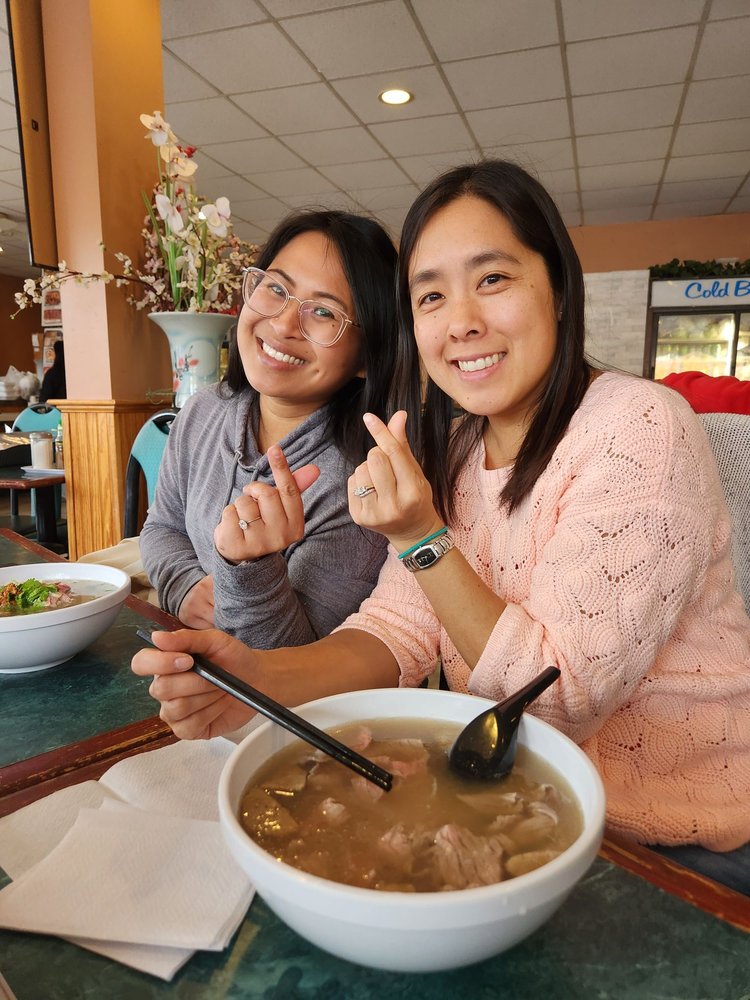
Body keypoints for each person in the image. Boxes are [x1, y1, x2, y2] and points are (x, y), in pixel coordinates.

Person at [133, 161, 750, 893]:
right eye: (432, 295)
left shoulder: (639, 425)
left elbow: (552, 703)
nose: (461, 322)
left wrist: (422, 539)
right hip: (513, 806)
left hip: (676, 847)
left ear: (557, 287)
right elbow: (394, 633)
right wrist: (253, 677)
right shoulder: (454, 453)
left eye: (492, 279)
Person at [139, 209, 398, 648]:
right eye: (276, 289)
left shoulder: (364, 481)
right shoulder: (203, 411)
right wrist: (183, 587)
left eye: (323, 312)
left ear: (366, 358)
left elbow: (300, 662)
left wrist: (251, 568)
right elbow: (162, 527)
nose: (282, 325)